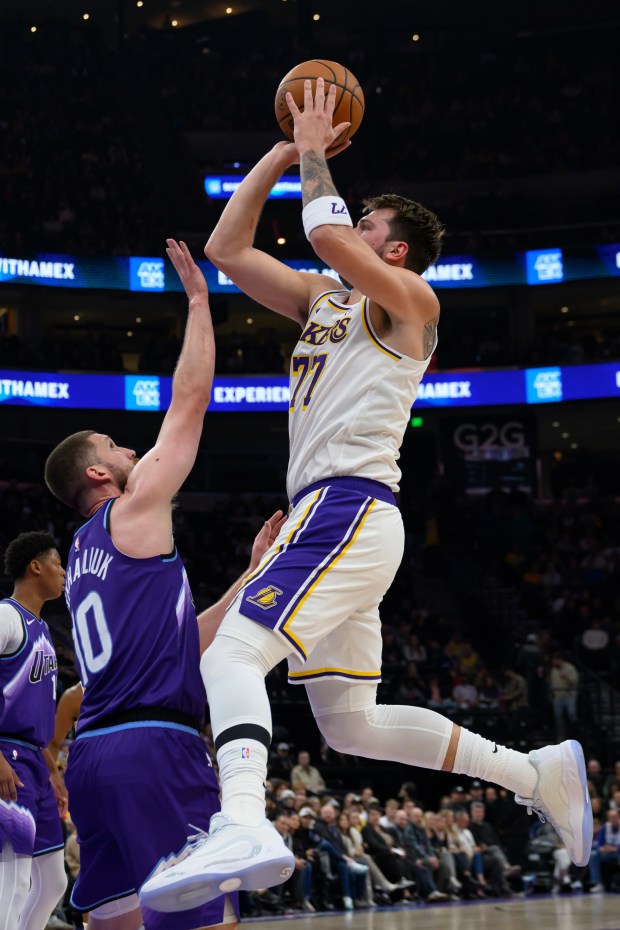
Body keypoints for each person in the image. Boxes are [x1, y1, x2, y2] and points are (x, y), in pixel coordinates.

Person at [140, 79, 592, 912]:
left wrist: (314, 145)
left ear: (391, 251)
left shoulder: (413, 305)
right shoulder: (324, 300)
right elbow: (227, 248)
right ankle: (534, 771)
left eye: (368, 229)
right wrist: (282, 152)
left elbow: (324, 228)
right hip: (336, 514)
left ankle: (242, 817)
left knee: (230, 654)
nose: (349, 237)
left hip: (347, 503)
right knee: (350, 725)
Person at [43, 241, 285, 930]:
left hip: (93, 756)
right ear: (98, 476)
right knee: (207, 919)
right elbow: (190, 403)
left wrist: (249, 573)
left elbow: (182, 643)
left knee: (112, 922)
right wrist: (202, 304)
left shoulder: (86, 553)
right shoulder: (133, 509)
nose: (131, 452)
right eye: (117, 448)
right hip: (154, 747)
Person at [0, 532, 69, 930]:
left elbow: (37, 712)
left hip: (36, 762)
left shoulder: (42, 630)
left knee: (53, 881)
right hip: (8, 755)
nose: (63, 571)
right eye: (57, 563)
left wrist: (54, 772)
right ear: (35, 566)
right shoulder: (7, 615)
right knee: (12, 877)